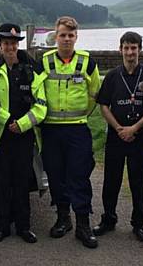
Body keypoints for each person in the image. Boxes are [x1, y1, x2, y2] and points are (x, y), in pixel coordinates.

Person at [39, 16, 101, 248]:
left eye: (70, 35)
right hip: (51, 130)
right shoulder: (43, 61)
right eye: (62, 35)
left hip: (77, 129)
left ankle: (83, 224)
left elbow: (95, 94)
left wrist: (81, 113)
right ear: (56, 36)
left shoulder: (87, 62)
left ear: (76, 37)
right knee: (55, 176)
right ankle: (63, 219)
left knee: (79, 176)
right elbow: (37, 91)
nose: (66, 39)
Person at [0, 23, 46, 244]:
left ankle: (23, 227)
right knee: (2, 184)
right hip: (1, 136)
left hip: (24, 135)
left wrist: (22, 124)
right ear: (0, 45)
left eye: (13, 43)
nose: (10, 47)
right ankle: (2, 228)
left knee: (21, 183)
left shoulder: (33, 68)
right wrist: (7, 120)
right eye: (6, 43)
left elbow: (41, 104)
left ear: (18, 44)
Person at [93, 31, 143, 242]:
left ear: (140, 49)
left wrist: (135, 128)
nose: (130, 52)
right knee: (111, 181)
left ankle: (139, 224)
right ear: (120, 49)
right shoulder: (112, 76)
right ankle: (108, 220)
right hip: (115, 137)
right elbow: (103, 105)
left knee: (137, 182)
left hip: (138, 137)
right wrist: (120, 128)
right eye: (126, 48)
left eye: (134, 48)